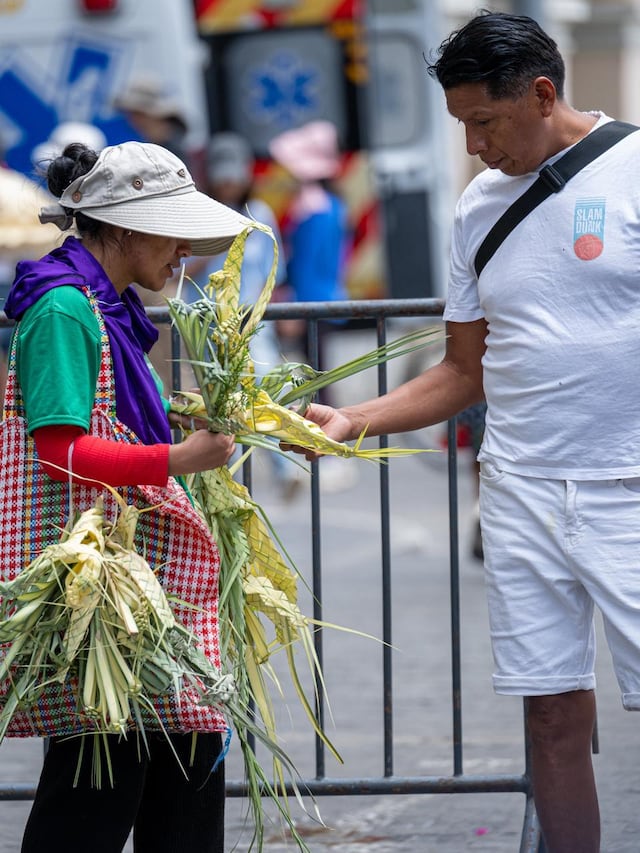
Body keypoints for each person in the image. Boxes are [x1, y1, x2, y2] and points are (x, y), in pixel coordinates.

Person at [285, 11, 640, 852]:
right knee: (550, 712)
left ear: (543, 93)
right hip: (520, 490)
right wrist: (354, 418)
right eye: (462, 127)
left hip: (629, 484)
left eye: (484, 122)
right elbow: (462, 370)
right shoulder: (479, 209)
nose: (475, 147)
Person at [2, 140, 250, 852]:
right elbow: (59, 452)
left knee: (186, 772)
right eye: (175, 234)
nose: (184, 254)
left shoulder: (103, 306)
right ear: (127, 227)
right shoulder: (62, 311)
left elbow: (100, 418)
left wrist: (170, 421)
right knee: (94, 796)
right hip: (102, 600)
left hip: (138, 586)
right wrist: (176, 456)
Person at [184, 131, 301, 500]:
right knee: (214, 402)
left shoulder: (261, 214)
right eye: (223, 173)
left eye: (236, 173)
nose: (230, 182)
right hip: (204, 325)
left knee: (264, 387)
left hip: (251, 324)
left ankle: (285, 468)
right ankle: (219, 484)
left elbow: (273, 271)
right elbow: (177, 271)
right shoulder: (197, 213)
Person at [268, 120, 351, 405]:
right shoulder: (334, 202)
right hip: (330, 294)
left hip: (310, 300)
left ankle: (325, 430)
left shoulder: (310, 206)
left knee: (315, 373)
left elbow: (303, 264)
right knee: (319, 370)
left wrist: (294, 306)